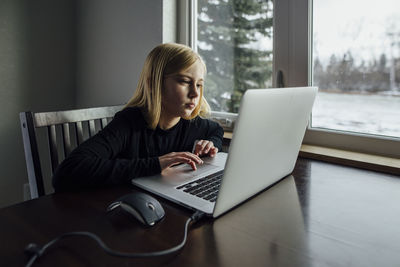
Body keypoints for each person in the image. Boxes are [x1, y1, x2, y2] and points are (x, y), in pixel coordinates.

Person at [52, 43, 224, 192]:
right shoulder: (128, 123)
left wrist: (210, 144)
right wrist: (156, 164)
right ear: (153, 84)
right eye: (185, 81)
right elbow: (67, 172)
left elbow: (216, 130)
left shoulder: (191, 124)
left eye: (199, 84)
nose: (195, 93)